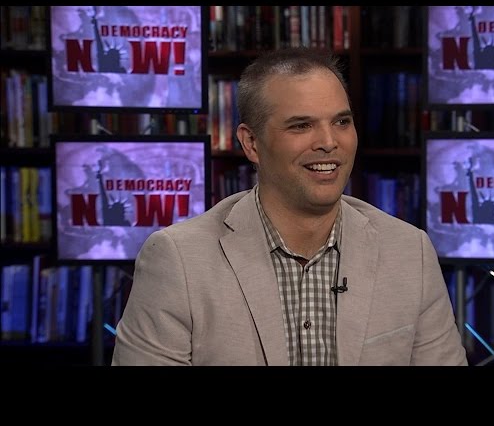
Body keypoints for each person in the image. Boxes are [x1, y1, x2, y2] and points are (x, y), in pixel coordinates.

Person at [112, 47, 467, 366]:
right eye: (301, 126)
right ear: (252, 143)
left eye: (341, 122)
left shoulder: (409, 252)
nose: (329, 142)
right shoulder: (180, 260)